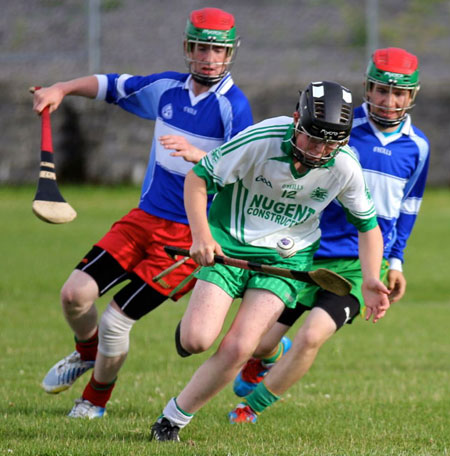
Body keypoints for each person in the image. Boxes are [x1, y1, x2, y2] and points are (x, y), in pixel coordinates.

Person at [32, 7, 253, 419]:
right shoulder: (168, 88)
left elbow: (247, 172)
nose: (209, 58)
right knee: (74, 295)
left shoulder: (234, 108)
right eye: (202, 48)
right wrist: (62, 88)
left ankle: (95, 400)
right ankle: (86, 351)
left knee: (117, 321)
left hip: (187, 238)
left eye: (218, 50)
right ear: (188, 48)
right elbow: (112, 86)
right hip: (142, 219)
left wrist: (202, 156)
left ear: (230, 54)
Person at [150, 80, 391, 442]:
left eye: (331, 142)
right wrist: (202, 236)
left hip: (285, 256)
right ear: (297, 120)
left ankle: (171, 421)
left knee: (240, 346)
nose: (319, 150)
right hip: (228, 244)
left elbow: (369, 227)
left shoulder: (344, 165)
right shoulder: (262, 138)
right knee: (197, 340)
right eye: (313, 138)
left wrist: (371, 277)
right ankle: (197, 331)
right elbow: (198, 179)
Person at [229, 47, 430, 423]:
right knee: (259, 344)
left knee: (312, 337)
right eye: (382, 90)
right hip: (308, 252)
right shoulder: (339, 128)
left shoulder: (418, 147)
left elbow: (409, 207)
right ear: (367, 90)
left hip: (357, 266)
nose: (390, 100)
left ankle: (249, 408)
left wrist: (396, 261)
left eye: (399, 93)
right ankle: (268, 358)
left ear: (411, 96)